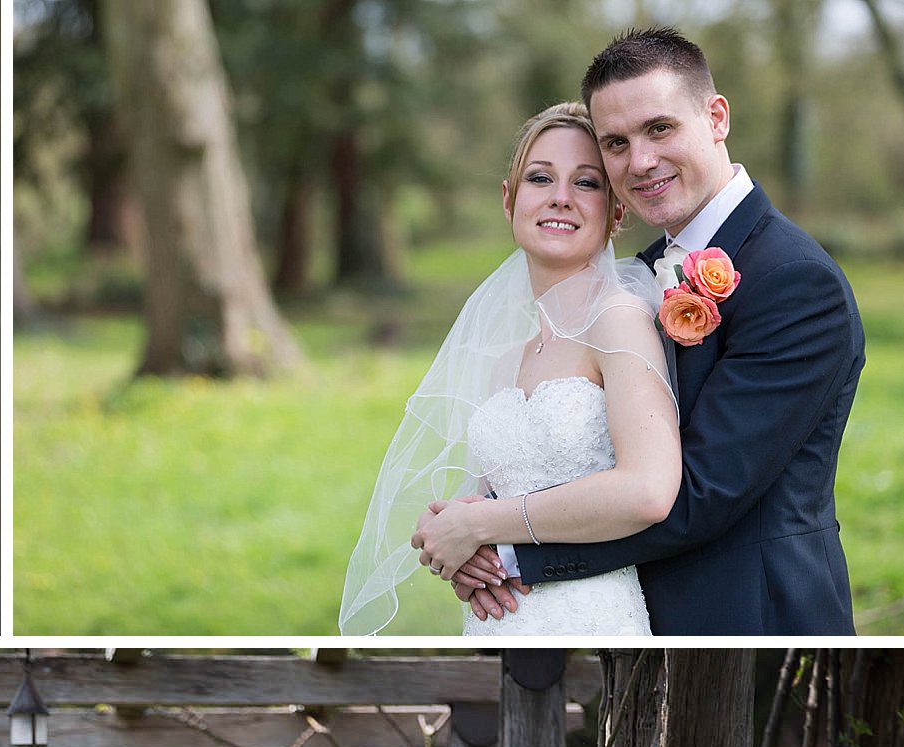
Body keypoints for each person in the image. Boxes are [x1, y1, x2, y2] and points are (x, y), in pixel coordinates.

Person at [440, 27, 865, 635]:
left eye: (659, 128)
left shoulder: (796, 282)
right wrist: (477, 540)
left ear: (716, 117)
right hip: (629, 615)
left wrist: (501, 549)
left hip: (751, 622)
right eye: (616, 142)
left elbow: (700, 492)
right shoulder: (637, 278)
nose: (639, 162)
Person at [340, 101, 678, 637]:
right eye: (540, 178)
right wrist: (452, 538)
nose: (560, 197)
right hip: (500, 621)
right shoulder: (505, 355)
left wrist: (479, 523)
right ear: (509, 200)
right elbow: (492, 495)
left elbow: (648, 492)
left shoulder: (617, 322)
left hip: (589, 619)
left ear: (616, 213)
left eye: (587, 183)